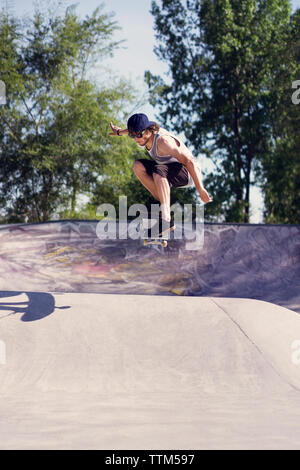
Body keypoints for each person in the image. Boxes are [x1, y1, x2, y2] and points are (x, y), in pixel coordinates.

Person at [109, 113, 212, 237]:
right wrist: (120, 132)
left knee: (158, 171)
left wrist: (200, 189)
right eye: (133, 136)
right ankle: (158, 204)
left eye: (139, 135)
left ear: (148, 130)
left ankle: (166, 218)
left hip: (188, 172)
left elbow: (188, 161)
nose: (137, 139)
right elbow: (133, 130)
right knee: (138, 166)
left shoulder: (163, 141)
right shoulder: (141, 134)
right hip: (168, 171)